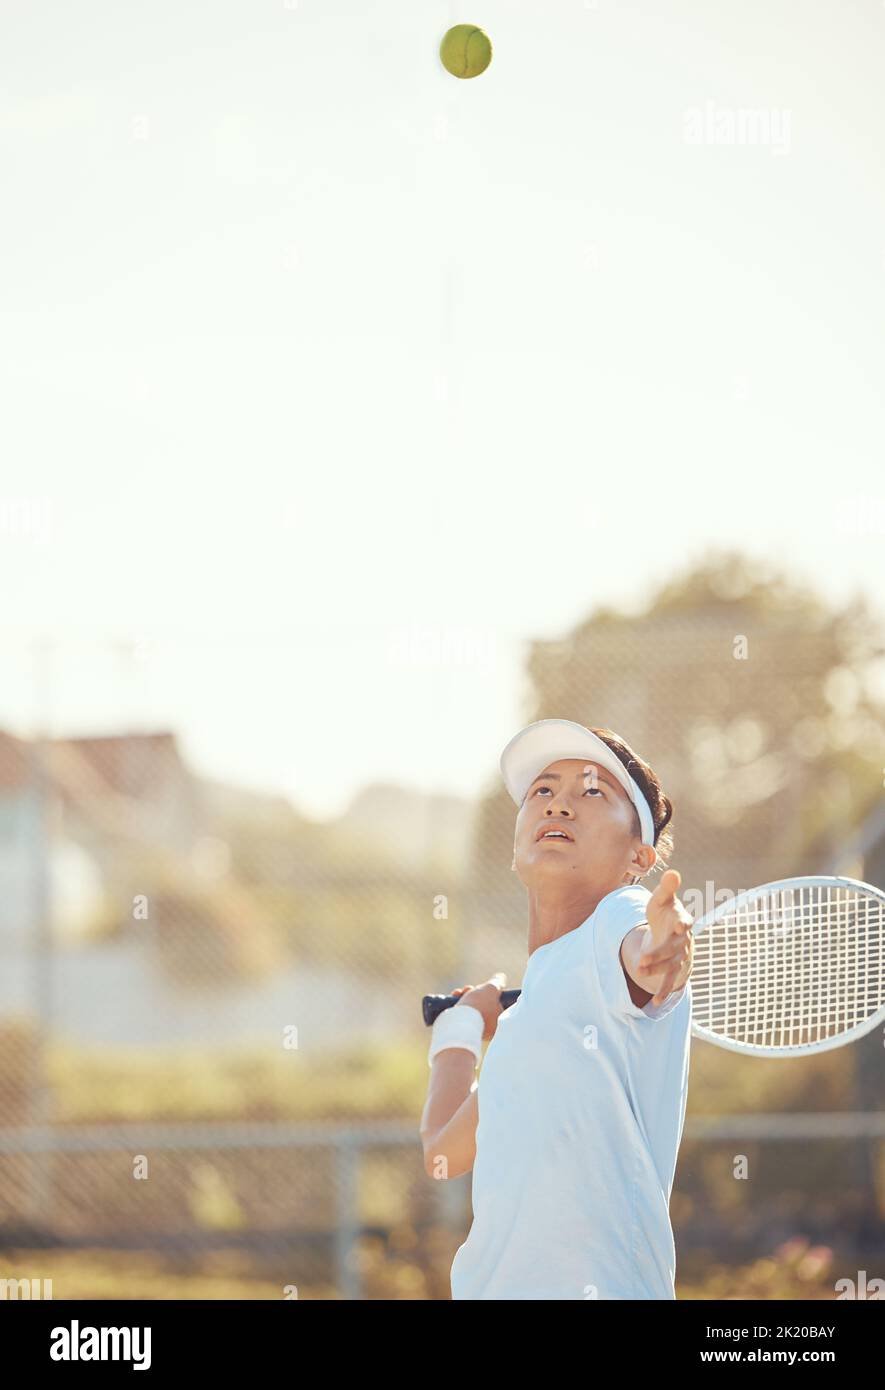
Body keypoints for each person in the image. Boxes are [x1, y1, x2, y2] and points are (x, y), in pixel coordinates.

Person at [420, 719, 694, 1300]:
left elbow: (647, 957)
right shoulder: (525, 1026)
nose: (560, 804)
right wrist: (461, 1028)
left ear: (638, 855)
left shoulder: (621, 915)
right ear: (518, 842)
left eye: (593, 791)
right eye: (542, 790)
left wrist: (662, 949)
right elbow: (443, 1153)